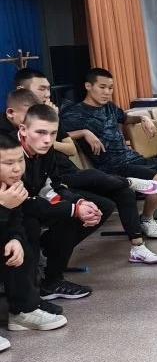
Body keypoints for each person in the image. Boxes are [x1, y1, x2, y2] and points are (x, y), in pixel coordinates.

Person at [13, 69, 157, 259]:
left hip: (65, 171)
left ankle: (138, 247)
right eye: (42, 89)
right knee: (95, 181)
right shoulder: (18, 128)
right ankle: (126, 181)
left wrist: (54, 132)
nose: (47, 94)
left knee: (115, 198)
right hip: (50, 182)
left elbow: (70, 149)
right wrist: (44, 139)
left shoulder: (49, 117)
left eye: (48, 89)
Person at [61, 68, 157, 234]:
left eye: (110, 88)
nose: (107, 92)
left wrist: (143, 117)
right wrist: (83, 132)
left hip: (133, 158)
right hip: (112, 166)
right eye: (102, 87)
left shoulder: (110, 107)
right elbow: (55, 135)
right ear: (88, 86)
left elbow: (126, 118)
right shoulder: (74, 113)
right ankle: (146, 220)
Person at [19, 104, 112, 300]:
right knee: (32, 222)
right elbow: (22, 202)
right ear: (23, 130)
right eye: (40, 132)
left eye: (53, 133)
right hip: (12, 211)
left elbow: (53, 186)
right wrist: (72, 209)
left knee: (87, 210)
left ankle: (51, 278)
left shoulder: (46, 151)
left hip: (31, 204)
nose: (47, 140)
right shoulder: (10, 153)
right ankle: (29, 295)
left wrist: (80, 203)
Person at [0, 133, 67, 349]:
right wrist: (3, 207)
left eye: (20, 160)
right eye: (8, 163)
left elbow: (16, 220)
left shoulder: (12, 185)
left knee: (22, 240)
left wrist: (14, 238)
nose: (17, 169)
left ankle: (22, 311)